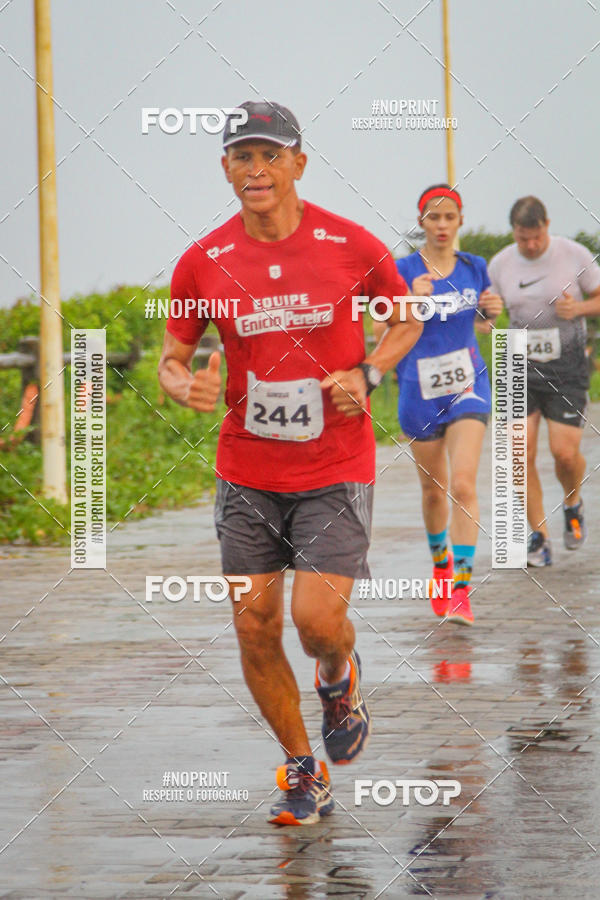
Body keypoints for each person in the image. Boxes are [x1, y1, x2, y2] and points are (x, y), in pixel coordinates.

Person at [157, 101, 422, 825]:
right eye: (242, 156)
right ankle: (304, 771)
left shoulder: (347, 243)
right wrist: (188, 387)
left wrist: (367, 375)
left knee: (316, 623)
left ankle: (338, 677)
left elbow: (405, 317)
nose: (256, 169)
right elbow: (172, 361)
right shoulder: (203, 261)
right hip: (246, 474)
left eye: (271, 154)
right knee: (253, 625)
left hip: (335, 467)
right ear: (225, 170)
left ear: (299, 163)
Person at [375, 184, 502, 626]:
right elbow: (380, 327)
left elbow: (484, 322)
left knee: (464, 485)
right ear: (421, 222)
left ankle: (461, 588)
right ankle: (440, 564)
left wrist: (492, 310)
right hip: (418, 388)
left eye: (450, 217)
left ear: (460, 221)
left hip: (468, 383)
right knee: (434, 491)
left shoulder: (475, 266)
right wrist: (411, 301)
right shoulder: (402, 269)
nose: (442, 225)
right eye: (434, 218)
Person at [489, 197, 600, 566]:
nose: (531, 245)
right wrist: (484, 314)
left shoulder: (574, 254)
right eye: (523, 239)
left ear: (547, 225)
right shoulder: (500, 263)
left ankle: (572, 503)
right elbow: (486, 314)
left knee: (564, 453)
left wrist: (580, 308)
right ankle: (539, 538)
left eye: (536, 237)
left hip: (566, 363)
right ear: (514, 233)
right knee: (518, 453)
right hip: (517, 360)